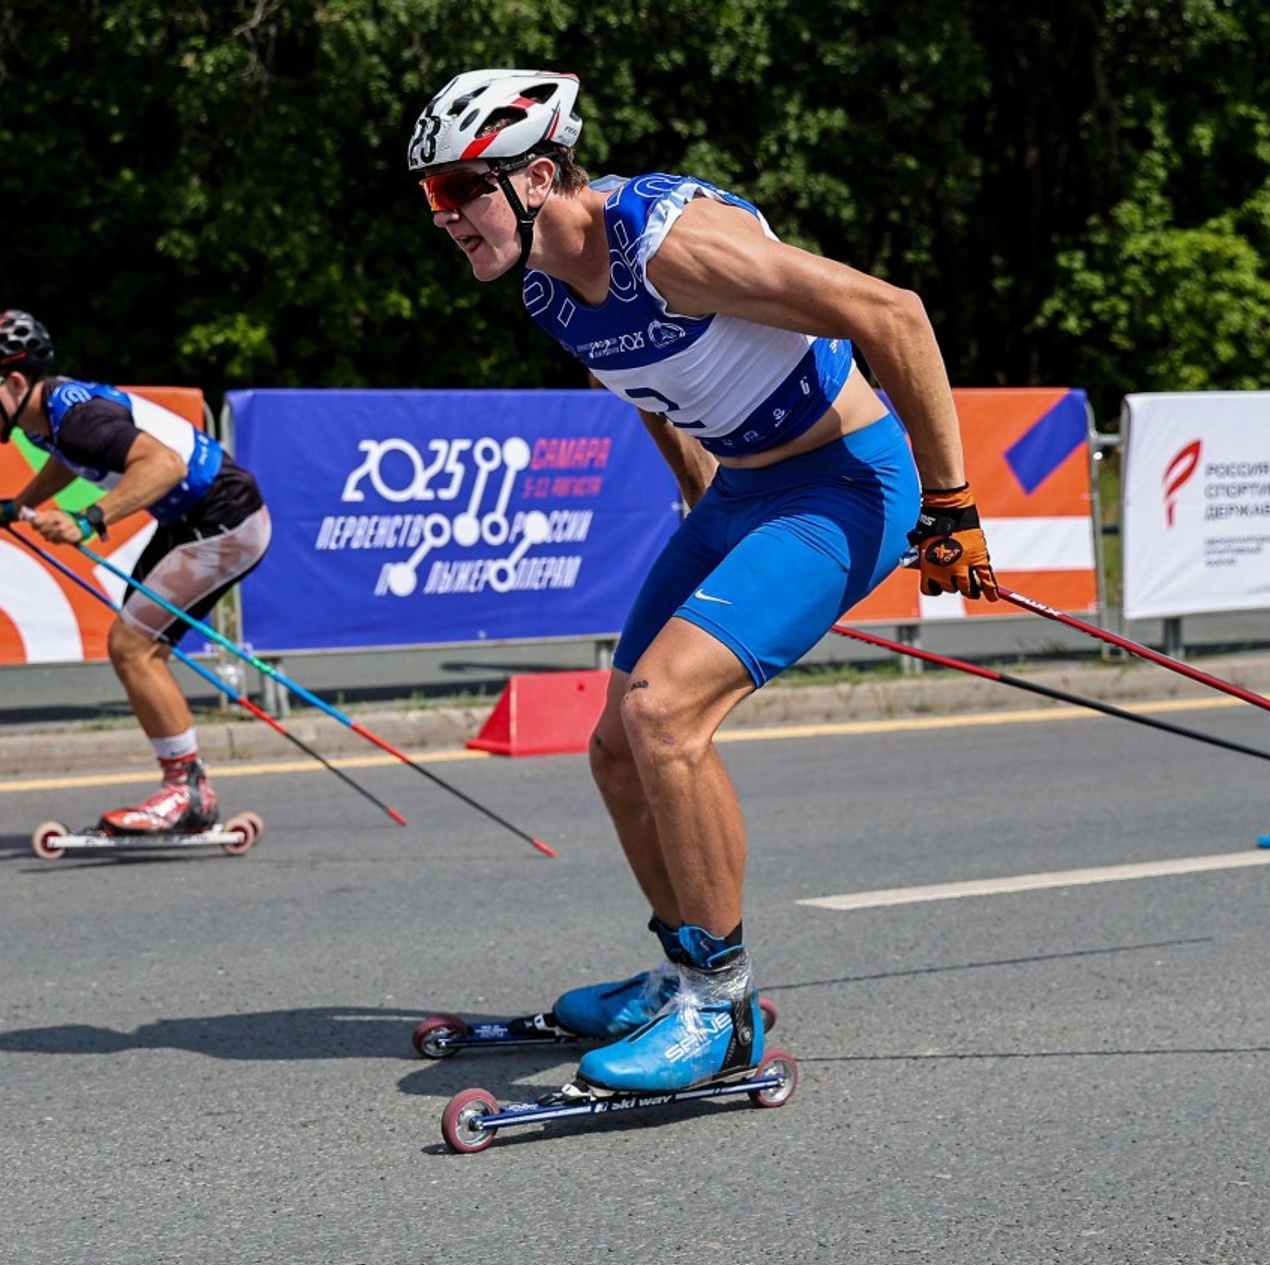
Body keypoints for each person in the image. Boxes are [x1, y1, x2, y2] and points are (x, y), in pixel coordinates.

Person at [406, 70, 998, 1094]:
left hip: (843, 480)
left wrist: (950, 508)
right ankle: (682, 970)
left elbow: (891, 312)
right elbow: (652, 387)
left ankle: (722, 1011)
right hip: (740, 495)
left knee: (664, 711)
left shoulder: (669, 245)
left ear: (538, 176)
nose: (444, 215)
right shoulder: (550, 291)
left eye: (460, 187)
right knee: (613, 749)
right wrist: (700, 500)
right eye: (428, 196)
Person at [0, 309, 272, 834]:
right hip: (193, 517)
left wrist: (88, 519)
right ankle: (188, 789)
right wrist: (20, 503)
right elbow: (71, 459)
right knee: (141, 650)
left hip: (225, 519)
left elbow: (164, 464)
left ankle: (186, 792)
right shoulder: (48, 418)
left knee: (131, 646)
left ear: (14, 382)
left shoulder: (78, 416)